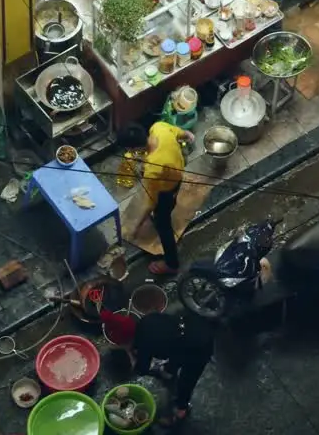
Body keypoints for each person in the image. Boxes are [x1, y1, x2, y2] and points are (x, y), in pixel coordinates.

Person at [109, 311, 215, 426]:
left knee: (187, 380)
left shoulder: (145, 344)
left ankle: (181, 410)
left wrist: (132, 358)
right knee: (175, 354)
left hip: (199, 346)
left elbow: (142, 369)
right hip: (192, 324)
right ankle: (169, 372)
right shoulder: (146, 320)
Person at [119, 122, 194, 275]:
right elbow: (181, 132)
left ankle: (171, 264)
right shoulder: (158, 128)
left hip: (166, 188)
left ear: (134, 149)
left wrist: (136, 226)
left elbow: (151, 202)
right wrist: (188, 135)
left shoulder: (153, 169)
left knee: (163, 224)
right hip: (177, 175)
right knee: (170, 202)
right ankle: (167, 208)